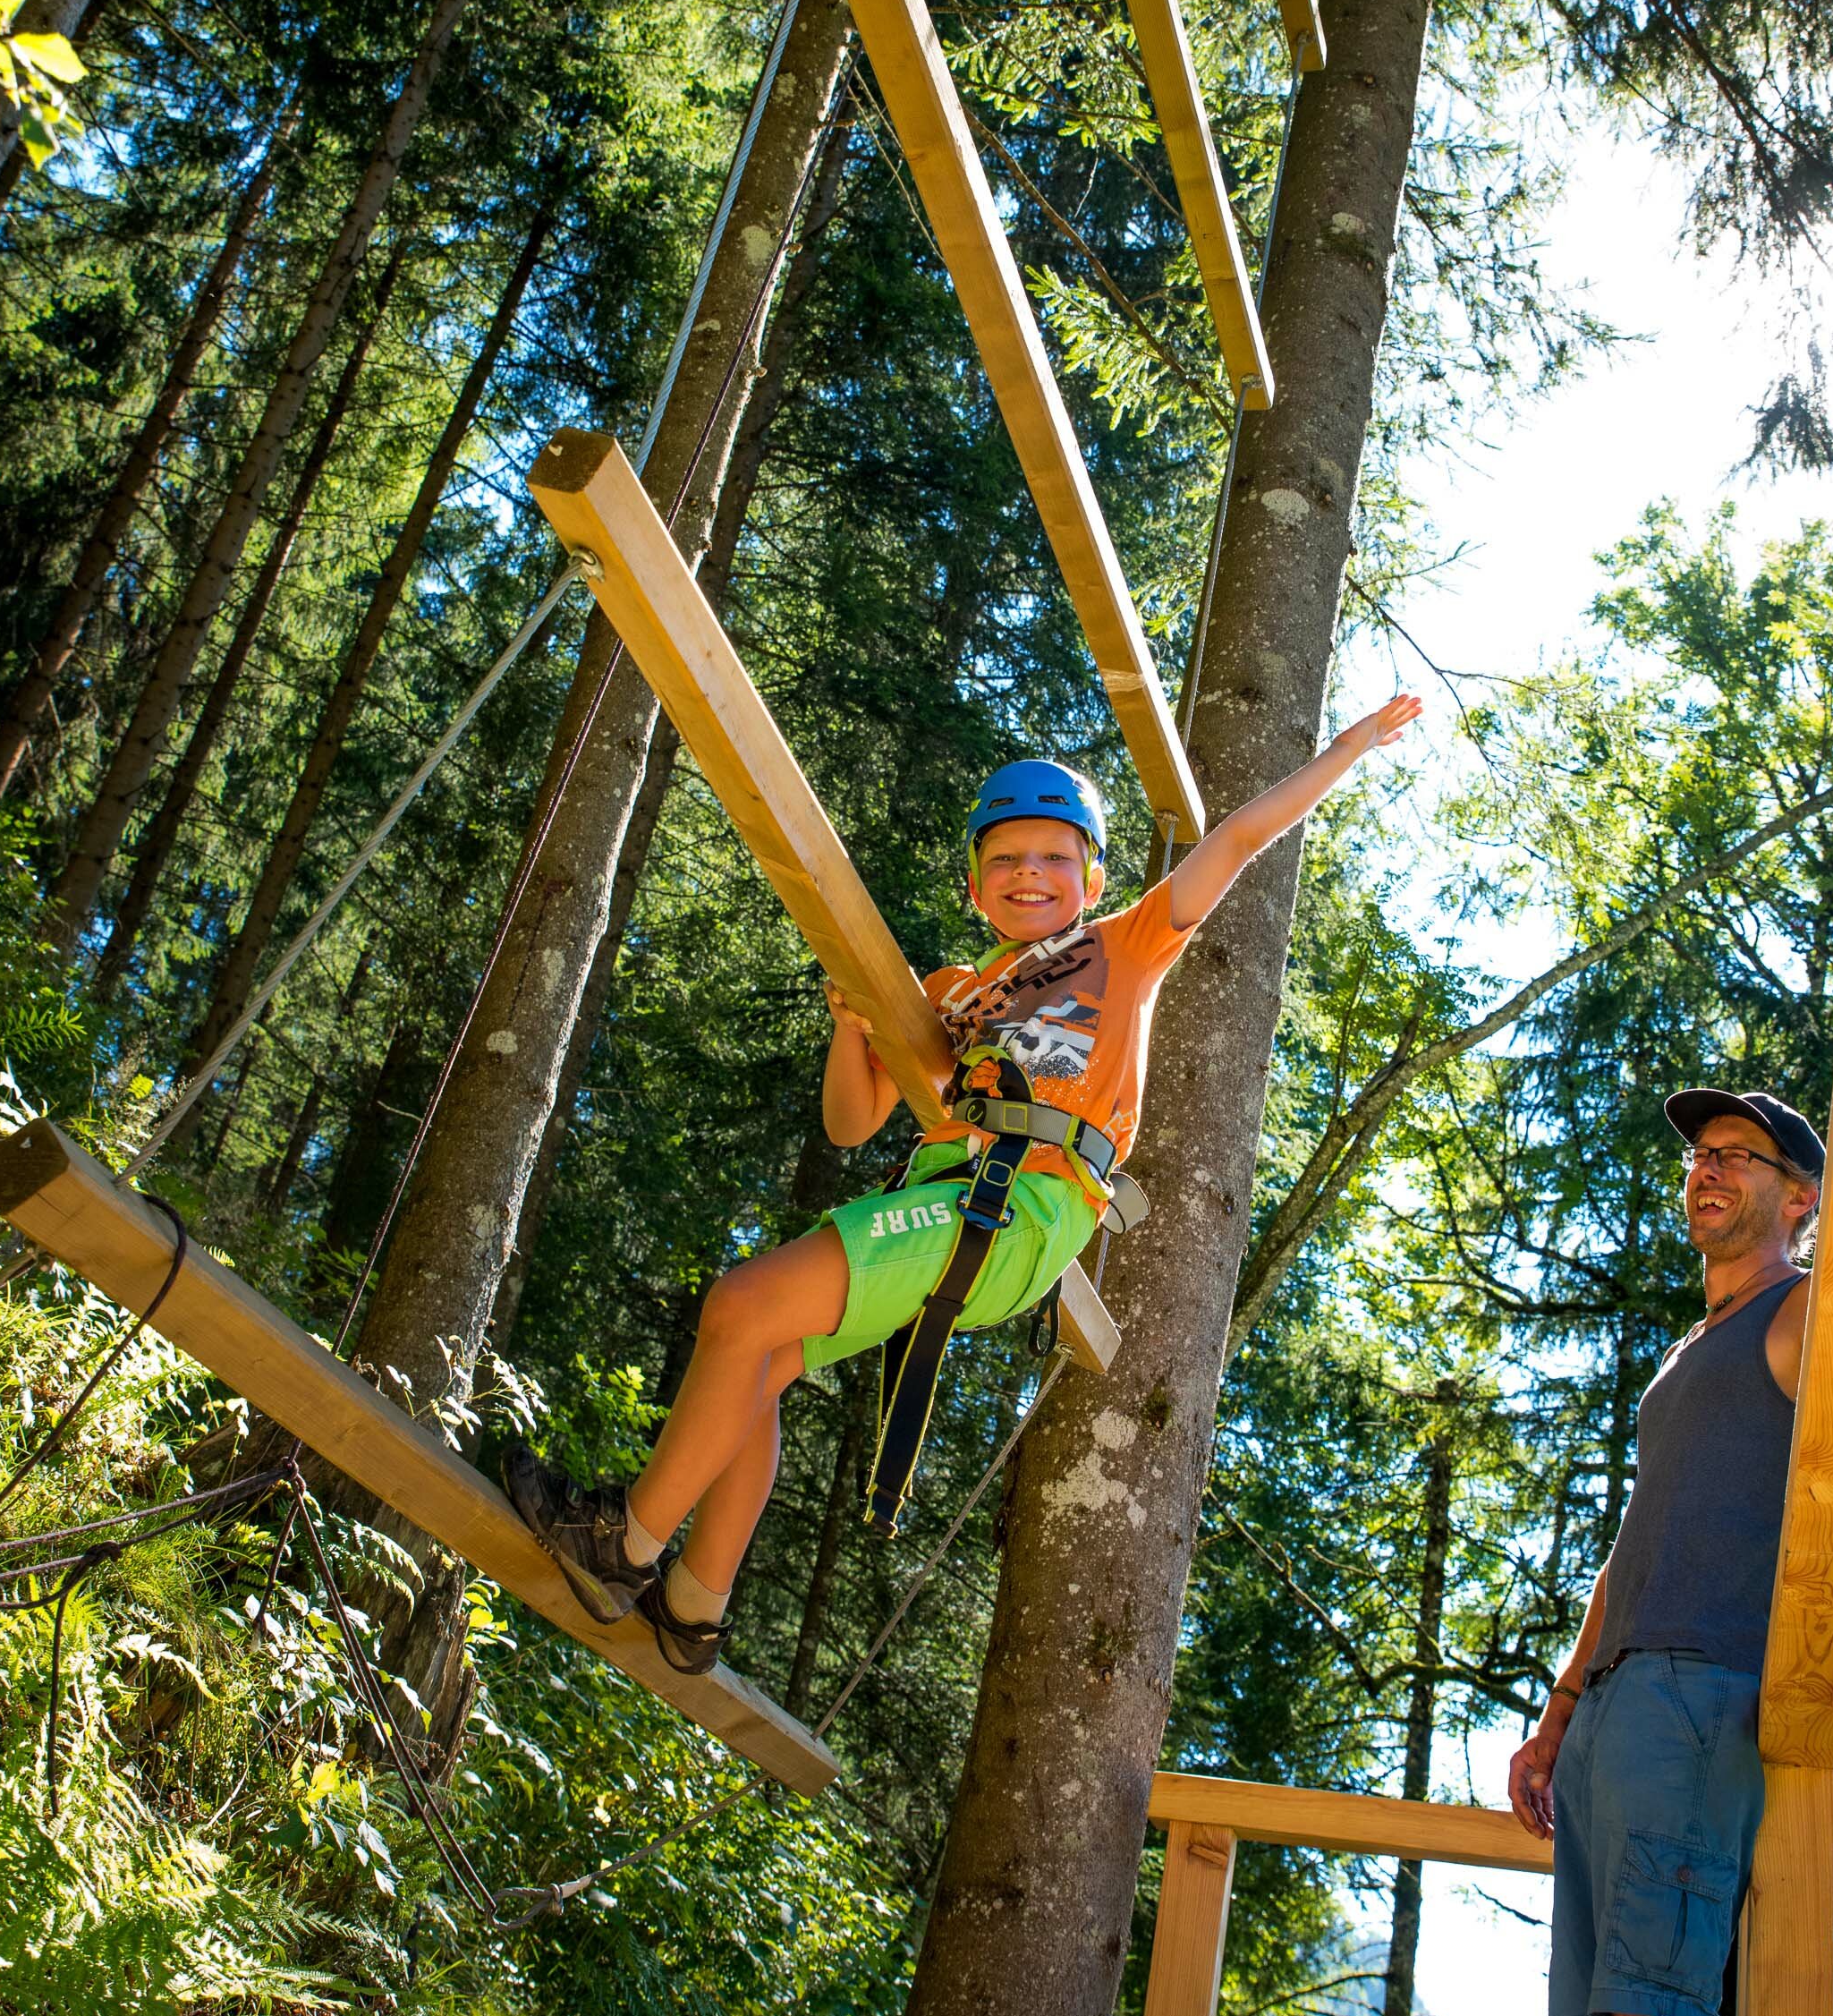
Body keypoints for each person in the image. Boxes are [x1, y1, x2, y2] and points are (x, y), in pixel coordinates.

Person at [508, 690, 1424, 1674]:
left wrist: (1349, 747)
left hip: (1018, 1206)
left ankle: (623, 1549)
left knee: (741, 1304)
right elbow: (852, 1122)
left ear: (1092, 875)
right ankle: (693, 1607)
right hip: (945, 1195)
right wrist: (852, 1027)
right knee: (758, 1361)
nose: (1028, 875)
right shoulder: (950, 991)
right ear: (975, 887)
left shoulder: (1123, 946)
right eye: (1004, 862)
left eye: (1052, 859)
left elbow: (1239, 838)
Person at [1454, 1085, 1825, 2016]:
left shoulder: (1801, 1316)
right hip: (1619, 1704)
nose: (1707, 1171)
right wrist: (1556, 1707)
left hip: (1705, 1696)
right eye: (1698, 1155)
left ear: (1800, 1197)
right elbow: (1630, 1540)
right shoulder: (1695, 1345)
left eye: (1743, 1157)